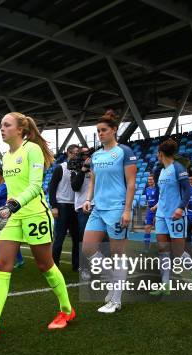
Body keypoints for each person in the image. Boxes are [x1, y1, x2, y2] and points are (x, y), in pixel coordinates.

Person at [0, 112, 75, 339]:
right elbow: (13, 190)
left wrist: (12, 205)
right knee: (3, 264)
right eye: (0, 124)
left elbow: (35, 186)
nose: (1, 129)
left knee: (45, 265)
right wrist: (6, 210)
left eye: (6, 125)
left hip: (35, 214)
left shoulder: (31, 149)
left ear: (20, 130)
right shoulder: (5, 157)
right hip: (12, 215)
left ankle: (67, 310)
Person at [82, 110, 136, 313]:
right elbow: (93, 181)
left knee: (117, 255)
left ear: (114, 130)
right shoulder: (96, 155)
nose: (100, 134)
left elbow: (131, 183)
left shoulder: (124, 151)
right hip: (98, 208)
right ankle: (115, 282)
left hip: (117, 208)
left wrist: (127, 210)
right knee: (87, 247)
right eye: (98, 131)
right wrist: (88, 199)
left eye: (104, 130)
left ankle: (116, 300)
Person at [150, 139, 192, 296]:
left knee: (178, 252)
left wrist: (180, 208)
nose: (157, 155)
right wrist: (157, 209)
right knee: (163, 249)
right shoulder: (161, 170)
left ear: (161, 153)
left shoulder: (178, 167)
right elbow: (163, 194)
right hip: (162, 215)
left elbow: (188, 191)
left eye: (157, 153)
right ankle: (165, 285)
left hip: (176, 215)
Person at [49, 144, 80, 271]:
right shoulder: (60, 168)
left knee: (77, 239)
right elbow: (52, 187)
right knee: (59, 238)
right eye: (75, 153)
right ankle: (54, 266)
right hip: (62, 206)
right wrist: (54, 206)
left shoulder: (80, 169)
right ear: (68, 153)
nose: (77, 156)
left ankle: (77, 265)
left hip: (76, 207)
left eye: (78, 154)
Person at [143, 175, 159, 252]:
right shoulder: (146, 189)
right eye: (148, 180)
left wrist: (157, 211)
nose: (149, 181)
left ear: (154, 180)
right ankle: (146, 247)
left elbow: (160, 200)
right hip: (150, 210)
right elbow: (148, 201)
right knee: (147, 228)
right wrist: (147, 211)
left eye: (151, 180)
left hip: (158, 210)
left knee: (158, 229)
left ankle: (161, 246)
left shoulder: (158, 189)